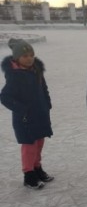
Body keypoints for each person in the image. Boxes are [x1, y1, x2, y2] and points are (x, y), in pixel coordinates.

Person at [1, 39, 54, 189]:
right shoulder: (15, 76)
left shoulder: (36, 70)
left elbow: (44, 89)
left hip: (40, 114)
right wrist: (22, 110)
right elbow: (5, 97)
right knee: (29, 146)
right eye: (25, 56)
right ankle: (28, 174)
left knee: (39, 143)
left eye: (31, 55)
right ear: (17, 58)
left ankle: (37, 168)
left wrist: (47, 103)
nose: (29, 58)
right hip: (25, 119)